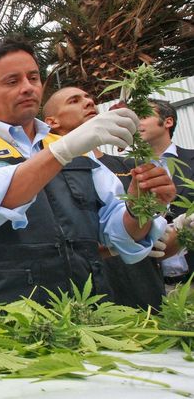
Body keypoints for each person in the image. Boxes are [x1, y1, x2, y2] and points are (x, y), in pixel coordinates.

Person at [0, 37, 175, 305]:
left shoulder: (79, 151)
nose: (27, 88)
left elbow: (120, 235)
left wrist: (140, 208)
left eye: (33, 78)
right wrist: (64, 150)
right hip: (10, 314)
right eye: (12, 81)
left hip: (87, 308)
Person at [43, 87, 168, 309]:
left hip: (146, 291)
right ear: (52, 122)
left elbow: (159, 243)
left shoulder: (130, 166)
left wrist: (164, 229)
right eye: (74, 100)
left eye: (88, 97)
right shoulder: (46, 174)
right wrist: (115, 246)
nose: (89, 102)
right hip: (95, 299)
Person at [137, 99, 194, 289]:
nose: (136, 122)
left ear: (168, 122)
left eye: (144, 116)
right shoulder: (128, 170)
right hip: (156, 283)